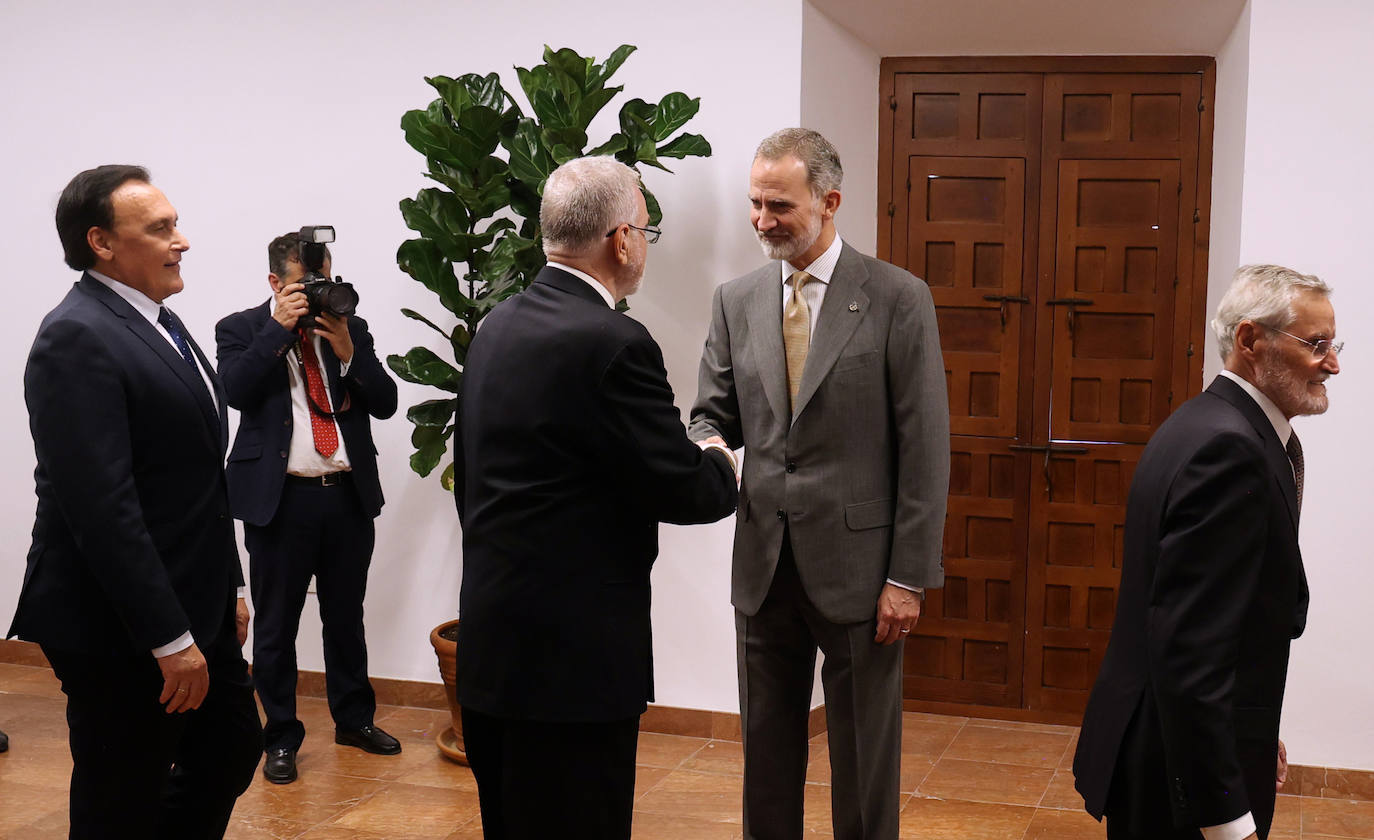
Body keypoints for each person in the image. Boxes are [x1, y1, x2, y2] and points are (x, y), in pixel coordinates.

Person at [455, 155, 739, 840]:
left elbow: (474, 476)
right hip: (572, 669)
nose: (644, 242)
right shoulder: (614, 342)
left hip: (494, 646)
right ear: (622, 240)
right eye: (646, 227)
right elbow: (685, 489)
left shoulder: (496, 326)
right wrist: (720, 460)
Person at [689, 128, 950, 840]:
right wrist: (708, 443)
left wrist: (909, 576)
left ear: (830, 202)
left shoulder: (899, 298)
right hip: (763, 566)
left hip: (864, 575)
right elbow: (709, 413)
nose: (762, 221)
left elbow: (924, 448)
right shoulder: (734, 299)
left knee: (864, 761)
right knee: (766, 759)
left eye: (780, 205)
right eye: (754, 204)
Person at [8, 165, 262, 839]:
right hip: (118, 624)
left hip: (194, 598)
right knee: (121, 794)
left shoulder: (161, 322)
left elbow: (199, 479)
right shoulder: (76, 336)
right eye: (161, 228)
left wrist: (229, 585)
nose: (182, 240)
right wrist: (169, 638)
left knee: (230, 750)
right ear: (102, 242)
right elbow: (103, 508)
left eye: (174, 223)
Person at [1073, 264, 1339, 840]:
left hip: (1170, 748)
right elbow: (1191, 652)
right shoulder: (1230, 450)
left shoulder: (1204, 423)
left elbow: (1221, 624)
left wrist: (1253, 732)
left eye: (1333, 344)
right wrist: (1227, 819)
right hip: (1178, 774)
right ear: (1249, 341)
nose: (1333, 363)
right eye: (1316, 344)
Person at [215, 233, 400, 784]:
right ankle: (279, 737)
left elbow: (386, 403)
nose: (318, 295)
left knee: (347, 618)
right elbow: (236, 390)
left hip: (345, 495)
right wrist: (278, 331)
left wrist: (348, 353)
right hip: (281, 500)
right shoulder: (242, 329)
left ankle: (354, 720)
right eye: (305, 285)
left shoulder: (350, 329)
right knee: (275, 626)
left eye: (325, 282)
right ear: (276, 283)